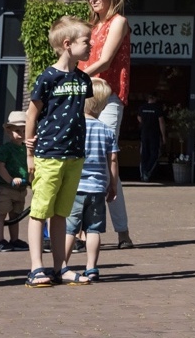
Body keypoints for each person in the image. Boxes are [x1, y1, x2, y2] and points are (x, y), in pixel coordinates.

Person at [25, 16, 94, 287]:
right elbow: (33, 113)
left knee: (61, 213)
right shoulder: (47, 77)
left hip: (75, 155)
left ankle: (60, 267)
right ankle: (35, 268)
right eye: (86, 41)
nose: (90, 46)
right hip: (49, 154)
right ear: (67, 44)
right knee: (40, 211)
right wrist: (29, 152)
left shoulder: (83, 79)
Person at [78, 0, 134, 247]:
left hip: (109, 94)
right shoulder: (89, 26)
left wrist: (72, 78)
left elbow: (106, 60)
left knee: (105, 159)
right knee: (80, 158)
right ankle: (79, 229)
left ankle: (120, 230)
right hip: (86, 96)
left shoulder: (118, 22)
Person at [69, 80, 121, 283]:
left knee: (69, 228)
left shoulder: (74, 128)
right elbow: (113, 160)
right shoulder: (107, 131)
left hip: (74, 186)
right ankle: (91, 267)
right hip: (98, 188)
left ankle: (62, 265)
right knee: (93, 229)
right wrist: (113, 184)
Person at [0, 111, 30, 251]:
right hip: (6, 189)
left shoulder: (27, 149)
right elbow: (0, 166)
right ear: (9, 132)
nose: (21, 133)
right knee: (1, 214)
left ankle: (14, 239)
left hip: (21, 190)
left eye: (24, 130)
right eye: (17, 130)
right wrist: (10, 180)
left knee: (15, 216)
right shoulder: (6, 149)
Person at [137, 96, 167, 182]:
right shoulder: (157, 108)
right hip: (154, 134)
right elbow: (161, 122)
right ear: (155, 98)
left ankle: (143, 173)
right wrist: (164, 136)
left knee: (144, 155)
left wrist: (144, 123)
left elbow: (138, 117)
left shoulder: (142, 107)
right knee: (154, 154)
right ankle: (147, 171)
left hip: (144, 134)